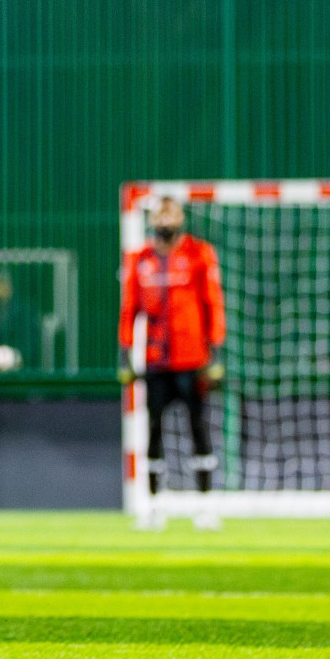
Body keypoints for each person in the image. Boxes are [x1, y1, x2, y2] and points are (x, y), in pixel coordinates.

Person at [119, 196, 226, 514]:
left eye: (171, 215)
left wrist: (215, 352)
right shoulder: (140, 259)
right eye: (160, 216)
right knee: (152, 428)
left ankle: (206, 505)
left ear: (180, 218)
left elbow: (213, 303)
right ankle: (153, 505)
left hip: (193, 360)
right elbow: (129, 309)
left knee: (199, 427)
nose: (165, 222)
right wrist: (125, 354)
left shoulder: (199, 253)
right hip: (155, 359)